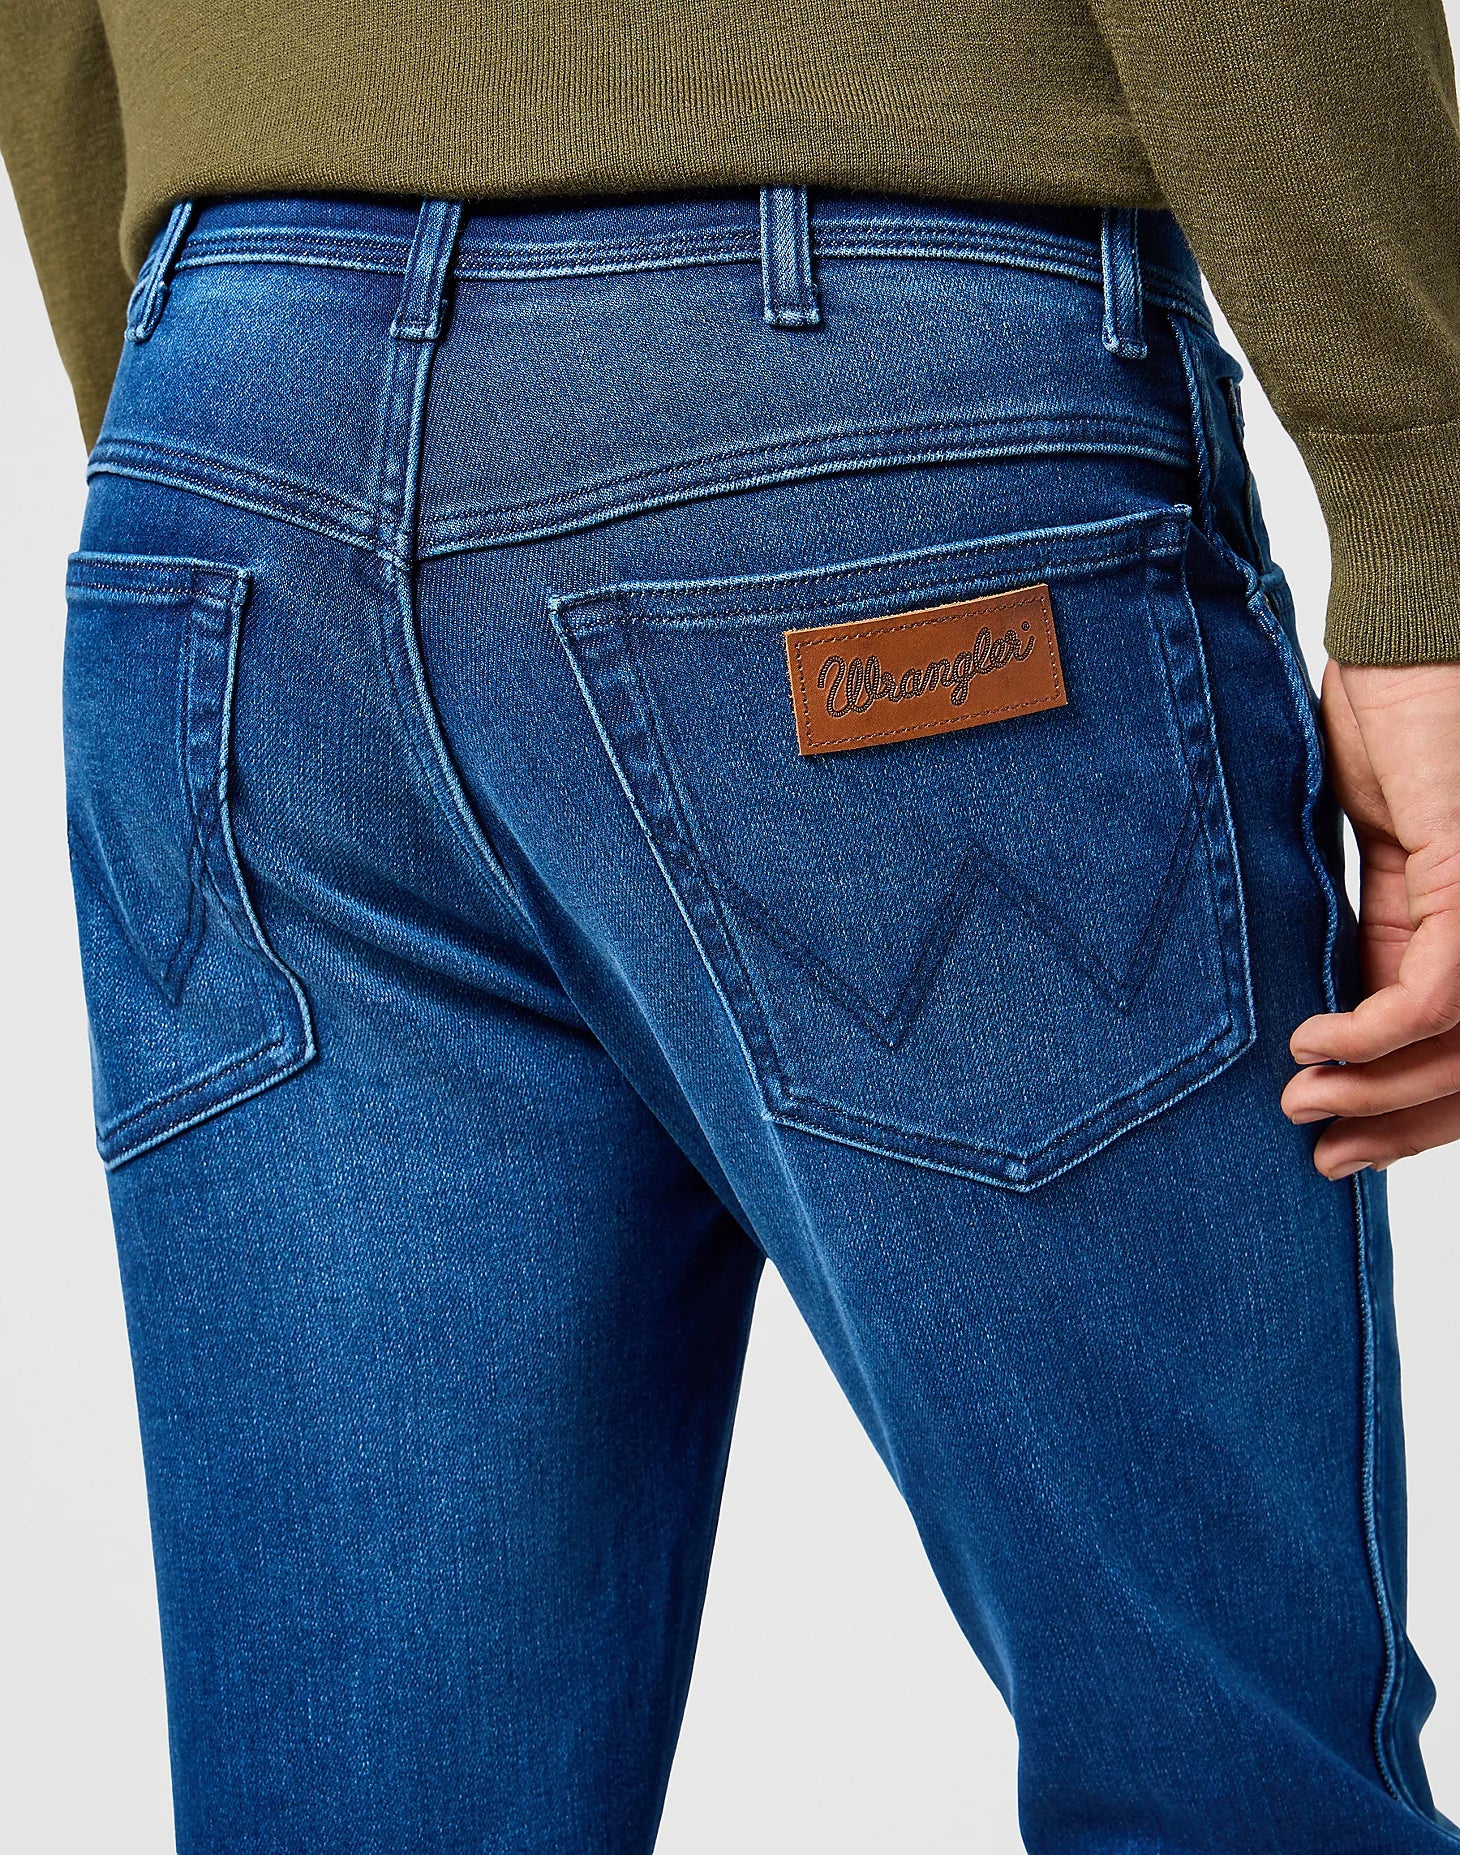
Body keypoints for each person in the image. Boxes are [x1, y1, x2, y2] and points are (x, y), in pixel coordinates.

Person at [3, 1, 1459, 1848]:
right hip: (861, 408)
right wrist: (1426, 505)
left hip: (228, 446)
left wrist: (202, 442)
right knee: (1224, 1787)